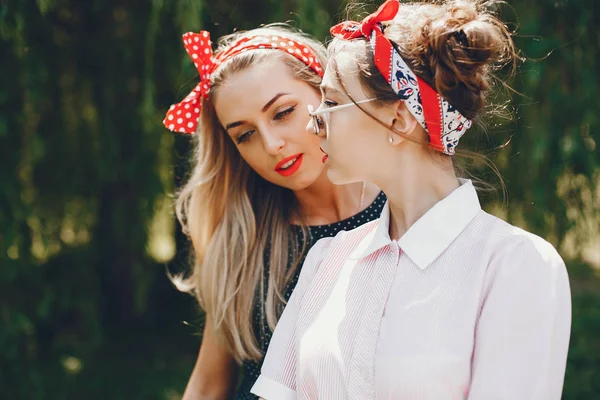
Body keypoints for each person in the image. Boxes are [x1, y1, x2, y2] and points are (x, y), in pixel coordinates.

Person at [252, 1, 572, 399]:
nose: (312, 123)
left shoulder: (515, 266)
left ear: (398, 117)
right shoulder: (326, 261)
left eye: (332, 103)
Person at [163, 25, 385, 399]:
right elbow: (207, 385)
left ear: (326, 92)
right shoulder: (243, 242)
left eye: (282, 112)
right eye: (245, 135)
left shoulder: (402, 212)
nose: (271, 144)